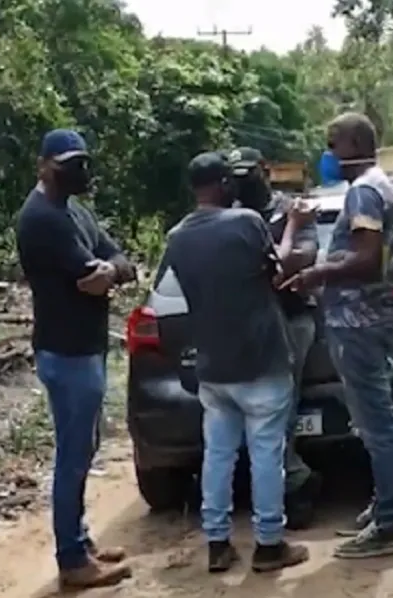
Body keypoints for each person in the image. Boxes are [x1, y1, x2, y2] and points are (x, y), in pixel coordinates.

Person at [158, 151, 310, 573]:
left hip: (212, 366)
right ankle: (268, 544)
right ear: (226, 185)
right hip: (261, 359)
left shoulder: (176, 237)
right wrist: (295, 225)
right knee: (265, 452)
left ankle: (218, 543)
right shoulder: (247, 223)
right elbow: (278, 273)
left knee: (219, 454)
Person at [283, 113, 393, 559]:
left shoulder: (363, 191)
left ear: (354, 142)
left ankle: (391, 523)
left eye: (332, 144)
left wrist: (319, 272)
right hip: (371, 318)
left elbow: (367, 258)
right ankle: (385, 508)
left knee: (377, 424)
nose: (328, 154)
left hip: (359, 322)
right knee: (374, 420)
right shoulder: (378, 184)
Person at [16, 129, 136, 589]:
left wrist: (113, 269)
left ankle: (80, 541)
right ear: (44, 164)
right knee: (72, 456)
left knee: (83, 448)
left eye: (82, 162)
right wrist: (107, 271)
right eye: (68, 163)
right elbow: (94, 273)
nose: (79, 171)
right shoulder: (43, 218)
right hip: (66, 350)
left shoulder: (74, 211)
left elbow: (117, 262)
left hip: (83, 346)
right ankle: (71, 559)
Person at [228, 146, 322, 530]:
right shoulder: (231, 216)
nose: (241, 183)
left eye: (247, 174)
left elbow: (304, 256)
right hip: (247, 324)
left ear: (265, 171)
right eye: (234, 177)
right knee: (265, 410)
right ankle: (293, 482)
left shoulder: (293, 208)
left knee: (280, 405)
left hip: (292, 317)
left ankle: (289, 487)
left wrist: (269, 264)